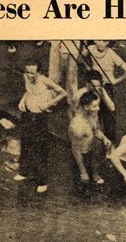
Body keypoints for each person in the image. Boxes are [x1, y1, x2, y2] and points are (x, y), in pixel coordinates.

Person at [15, 59, 66, 193]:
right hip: (27, 114)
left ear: (39, 72)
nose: (29, 75)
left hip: (39, 117)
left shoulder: (44, 81)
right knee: (25, 143)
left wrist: (48, 104)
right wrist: (23, 99)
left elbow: (63, 93)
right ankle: (24, 172)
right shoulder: (26, 77)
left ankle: (42, 181)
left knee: (38, 147)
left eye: (33, 73)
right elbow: (28, 91)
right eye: (27, 72)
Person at [84, 40, 126, 143]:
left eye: (104, 41)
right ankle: (93, 141)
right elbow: (81, 58)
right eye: (98, 40)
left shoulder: (111, 54)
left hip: (106, 87)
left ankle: (110, 144)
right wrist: (88, 68)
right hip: (93, 85)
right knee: (92, 114)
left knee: (109, 118)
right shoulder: (90, 49)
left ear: (108, 42)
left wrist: (115, 81)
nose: (101, 43)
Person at [68, 91, 109, 192]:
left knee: (95, 187)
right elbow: (76, 151)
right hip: (80, 159)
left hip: (91, 154)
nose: (98, 108)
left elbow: (96, 130)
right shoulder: (76, 125)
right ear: (86, 107)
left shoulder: (93, 115)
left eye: (98, 105)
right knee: (83, 191)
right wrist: (83, 172)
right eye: (94, 106)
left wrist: (105, 138)